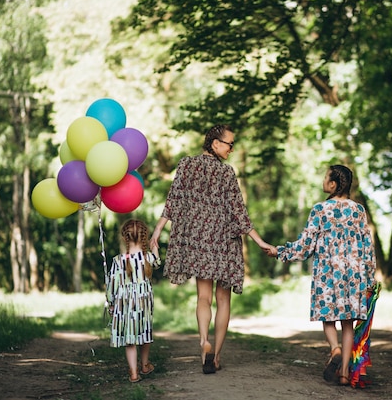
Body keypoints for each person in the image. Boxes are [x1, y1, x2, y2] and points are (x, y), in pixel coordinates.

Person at [149, 124, 273, 374]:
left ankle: (203, 341)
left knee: (203, 297)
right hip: (224, 243)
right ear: (215, 144)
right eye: (229, 144)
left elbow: (173, 199)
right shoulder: (227, 173)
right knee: (223, 299)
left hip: (198, 242)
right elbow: (240, 213)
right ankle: (215, 356)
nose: (232, 149)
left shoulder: (185, 164)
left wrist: (158, 230)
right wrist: (260, 242)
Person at [267, 165, 377, 386]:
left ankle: (334, 349)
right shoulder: (358, 211)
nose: (323, 181)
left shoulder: (320, 210)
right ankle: (345, 372)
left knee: (328, 319)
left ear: (333, 184)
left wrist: (280, 251)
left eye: (325, 177)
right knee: (347, 323)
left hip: (327, 274)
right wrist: (370, 278)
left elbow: (306, 245)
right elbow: (367, 247)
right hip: (353, 275)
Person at [107, 219, 161, 383]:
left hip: (124, 304)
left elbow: (112, 284)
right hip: (144, 303)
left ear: (125, 238)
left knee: (130, 338)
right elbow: (158, 263)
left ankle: (133, 373)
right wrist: (155, 249)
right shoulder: (148, 258)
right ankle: (145, 365)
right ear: (145, 237)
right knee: (144, 332)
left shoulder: (118, 260)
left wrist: (110, 302)